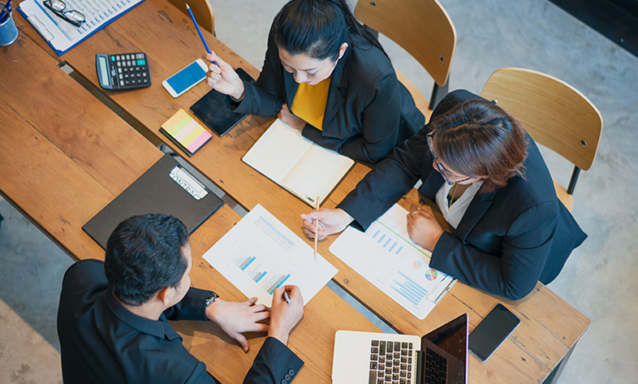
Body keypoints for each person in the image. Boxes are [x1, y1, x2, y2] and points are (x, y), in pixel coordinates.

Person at [301, 90, 587, 301]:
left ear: (483, 175)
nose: (434, 166)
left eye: (445, 169)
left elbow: (513, 284)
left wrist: (437, 241)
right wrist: (345, 214)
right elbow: (407, 161)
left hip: (503, 251)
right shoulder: (455, 111)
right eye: (434, 155)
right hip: (446, 216)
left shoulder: (532, 208)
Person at [57, 214, 304, 383]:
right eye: (187, 273)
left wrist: (210, 306)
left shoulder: (80, 278)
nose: (189, 277)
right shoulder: (178, 373)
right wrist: (279, 332)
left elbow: (136, 282)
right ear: (166, 294)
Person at [204, 0, 424, 164]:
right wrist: (239, 90)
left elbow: (374, 152)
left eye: (311, 72)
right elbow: (273, 99)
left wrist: (305, 128)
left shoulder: (374, 79)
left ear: (340, 52)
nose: (298, 79)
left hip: (367, 150)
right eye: (288, 66)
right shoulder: (285, 34)